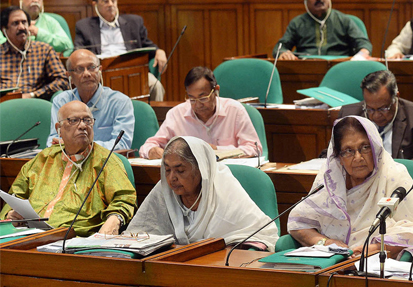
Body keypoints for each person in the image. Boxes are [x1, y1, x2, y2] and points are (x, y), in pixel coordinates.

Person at [288, 116, 413, 260]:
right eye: (348, 151)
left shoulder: (394, 174)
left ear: (376, 148)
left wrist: (376, 248)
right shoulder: (330, 178)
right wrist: (325, 242)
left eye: (365, 147)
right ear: (339, 157)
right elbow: (299, 223)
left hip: (378, 266)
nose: (358, 157)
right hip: (332, 262)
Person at [0, 101, 137, 236]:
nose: (83, 125)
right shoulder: (43, 158)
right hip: (28, 235)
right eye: (74, 120)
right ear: (59, 129)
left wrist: (114, 220)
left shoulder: (105, 161)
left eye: (87, 120)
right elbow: (15, 195)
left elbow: (124, 198)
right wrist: (11, 214)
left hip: (74, 239)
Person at [128, 136, 278, 248]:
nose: (172, 178)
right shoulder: (164, 191)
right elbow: (138, 233)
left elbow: (260, 233)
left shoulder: (224, 189)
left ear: (201, 169)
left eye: (180, 170)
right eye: (167, 170)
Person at [139, 67, 261, 159]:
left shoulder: (234, 110)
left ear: (216, 91)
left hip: (228, 176)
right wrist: (152, 151)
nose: (197, 105)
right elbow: (147, 146)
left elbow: (254, 148)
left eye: (203, 98)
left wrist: (218, 150)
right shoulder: (176, 114)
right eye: (192, 99)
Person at [74, 0, 167, 101]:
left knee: (155, 85)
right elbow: (78, 52)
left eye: (113, 0)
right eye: (105, 1)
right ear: (95, 4)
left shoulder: (134, 22)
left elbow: (147, 44)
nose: (110, 4)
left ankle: (153, 117)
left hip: (133, 71)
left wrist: (159, 51)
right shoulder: (84, 26)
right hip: (102, 74)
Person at [338, 70, 413, 165]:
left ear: (396, 97)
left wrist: (399, 168)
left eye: (383, 108)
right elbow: (331, 153)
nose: (376, 115)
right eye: (370, 109)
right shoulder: (349, 115)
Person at [47, 49, 135, 150]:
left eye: (91, 67)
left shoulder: (120, 102)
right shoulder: (61, 101)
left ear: (100, 70)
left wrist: (81, 146)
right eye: (79, 69)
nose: (87, 74)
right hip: (69, 161)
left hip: (105, 162)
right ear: (69, 76)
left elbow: (122, 144)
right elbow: (53, 141)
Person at [273, 0, 372, 60]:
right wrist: (283, 53)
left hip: (339, 66)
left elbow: (364, 44)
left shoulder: (344, 20)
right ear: (305, 0)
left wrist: (361, 54)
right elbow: (280, 48)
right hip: (307, 67)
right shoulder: (297, 23)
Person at [0, 6, 68, 99]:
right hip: (3, 104)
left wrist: (33, 94)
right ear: (4, 30)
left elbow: (63, 80)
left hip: (35, 102)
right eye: (15, 23)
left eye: (24, 22)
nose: (21, 27)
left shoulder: (44, 50)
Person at [0, 0, 73, 54]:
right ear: (21, 0)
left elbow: (67, 45)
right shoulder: (8, 19)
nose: (35, 0)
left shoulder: (51, 21)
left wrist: (38, 33)